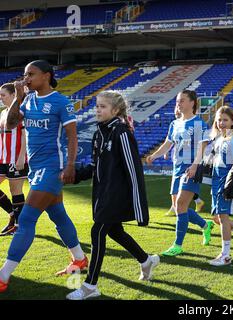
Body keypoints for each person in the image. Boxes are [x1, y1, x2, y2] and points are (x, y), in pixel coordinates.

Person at [0, 60, 88, 293]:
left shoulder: (60, 101)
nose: (26, 78)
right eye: (25, 74)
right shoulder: (28, 100)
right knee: (58, 215)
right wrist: (18, 96)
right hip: (35, 168)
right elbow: (9, 123)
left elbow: (72, 137)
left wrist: (69, 166)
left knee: (26, 220)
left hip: (53, 168)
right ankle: (79, 259)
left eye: (31, 74)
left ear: (46, 76)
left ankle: (3, 275)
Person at [66, 91, 159, 300]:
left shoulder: (122, 133)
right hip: (102, 193)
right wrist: (74, 176)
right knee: (115, 231)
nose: (98, 110)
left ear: (115, 111)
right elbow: (94, 166)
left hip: (116, 195)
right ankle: (146, 260)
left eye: (103, 107)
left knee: (97, 231)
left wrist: (140, 209)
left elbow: (134, 171)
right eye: (97, 106)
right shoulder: (99, 133)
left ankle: (90, 286)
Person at [146, 90, 214, 256]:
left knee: (181, 205)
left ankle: (177, 245)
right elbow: (168, 144)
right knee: (179, 208)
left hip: (191, 169)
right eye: (177, 101)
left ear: (192, 103)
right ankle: (206, 226)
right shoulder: (174, 124)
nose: (178, 104)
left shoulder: (198, 124)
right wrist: (154, 155)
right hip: (176, 169)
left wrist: (194, 166)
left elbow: (201, 148)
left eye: (182, 101)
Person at [202, 106, 233, 266]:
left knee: (222, 218)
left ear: (232, 122)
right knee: (216, 218)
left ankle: (225, 255)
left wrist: (230, 186)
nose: (221, 123)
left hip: (225, 184)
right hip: (215, 183)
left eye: (225, 120)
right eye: (219, 119)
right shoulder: (218, 139)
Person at [163, 105, 205, 216]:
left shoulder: (194, 124)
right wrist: (166, 151)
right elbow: (174, 141)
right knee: (177, 187)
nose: (177, 111)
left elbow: (189, 142)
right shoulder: (175, 124)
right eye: (176, 109)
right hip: (178, 160)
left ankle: (176, 207)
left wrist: (195, 164)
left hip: (188, 162)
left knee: (182, 190)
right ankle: (186, 205)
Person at [0, 83, 27, 236]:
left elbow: (24, 135)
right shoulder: (3, 113)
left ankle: (18, 225)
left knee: (15, 190)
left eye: (3, 95)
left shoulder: (20, 112)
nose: (1, 98)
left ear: (12, 95)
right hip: (2, 158)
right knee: (12, 190)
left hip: (15, 157)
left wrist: (22, 156)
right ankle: (12, 215)